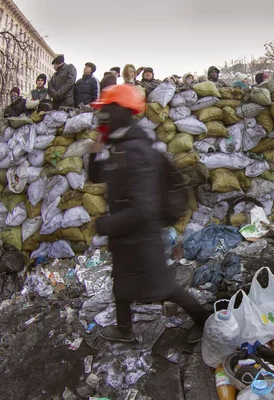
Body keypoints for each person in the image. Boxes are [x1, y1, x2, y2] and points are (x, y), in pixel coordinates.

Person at [88, 84, 210, 343]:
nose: (103, 116)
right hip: (126, 236)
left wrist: (107, 224)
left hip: (140, 237)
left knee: (165, 288)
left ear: (120, 111)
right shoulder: (121, 146)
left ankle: (205, 321)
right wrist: (95, 149)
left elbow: (145, 208)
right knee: (120, 284)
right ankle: (124, 330)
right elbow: (98, 175)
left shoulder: (135, 151)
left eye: (107, 110)